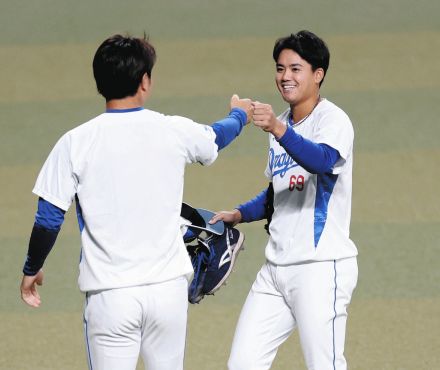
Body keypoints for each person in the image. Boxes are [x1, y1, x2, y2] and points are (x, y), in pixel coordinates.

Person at [19, 34, 253, 370]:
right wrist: (239, 114)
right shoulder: (172, 129)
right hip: (167, 293)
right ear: (145, 82)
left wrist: (32, 269)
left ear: (100, 82)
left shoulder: (75, 142)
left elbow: (48, 219)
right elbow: (218, 135)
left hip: (111, 298)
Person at [210, 30, 358, 370]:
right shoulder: (283, 126)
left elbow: (321, 160)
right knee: (242, 364)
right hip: (275, 271)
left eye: (295, 68)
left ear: (318, 74)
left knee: (326, 365)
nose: (285, 77)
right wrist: (239, 213)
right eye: (280, 69)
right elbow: (278, 192)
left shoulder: (332, 120)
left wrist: (278, 129)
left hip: (320, 267)